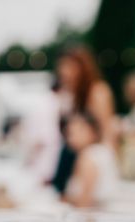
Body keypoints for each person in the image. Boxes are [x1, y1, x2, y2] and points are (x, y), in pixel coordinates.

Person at [50, 47, 116, 193]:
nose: (64, 71)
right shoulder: (68, 94)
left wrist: (106, 163)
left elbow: (107, 129)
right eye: (62, 66)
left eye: (69, 66)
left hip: (91, 155)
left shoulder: (98, 92)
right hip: (73, 154)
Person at [64, 112, 120, 207]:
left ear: (92, 131)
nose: (72, 137)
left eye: (79, 131)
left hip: (93, 215)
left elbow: (86, 198)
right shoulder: (103, 151)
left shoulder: (88, 156)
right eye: (70, 133)